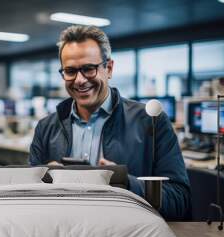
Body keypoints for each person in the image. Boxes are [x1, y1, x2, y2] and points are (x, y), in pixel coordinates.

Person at [29, 25, 190, 220]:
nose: (79, 80)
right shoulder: (46, 128)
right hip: (64, 236)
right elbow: (29, 201)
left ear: (109, 68)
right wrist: (44, 182)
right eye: (70, 71)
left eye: (89, 69)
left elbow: (180, 201)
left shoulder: (152, 123)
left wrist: (125, 184)